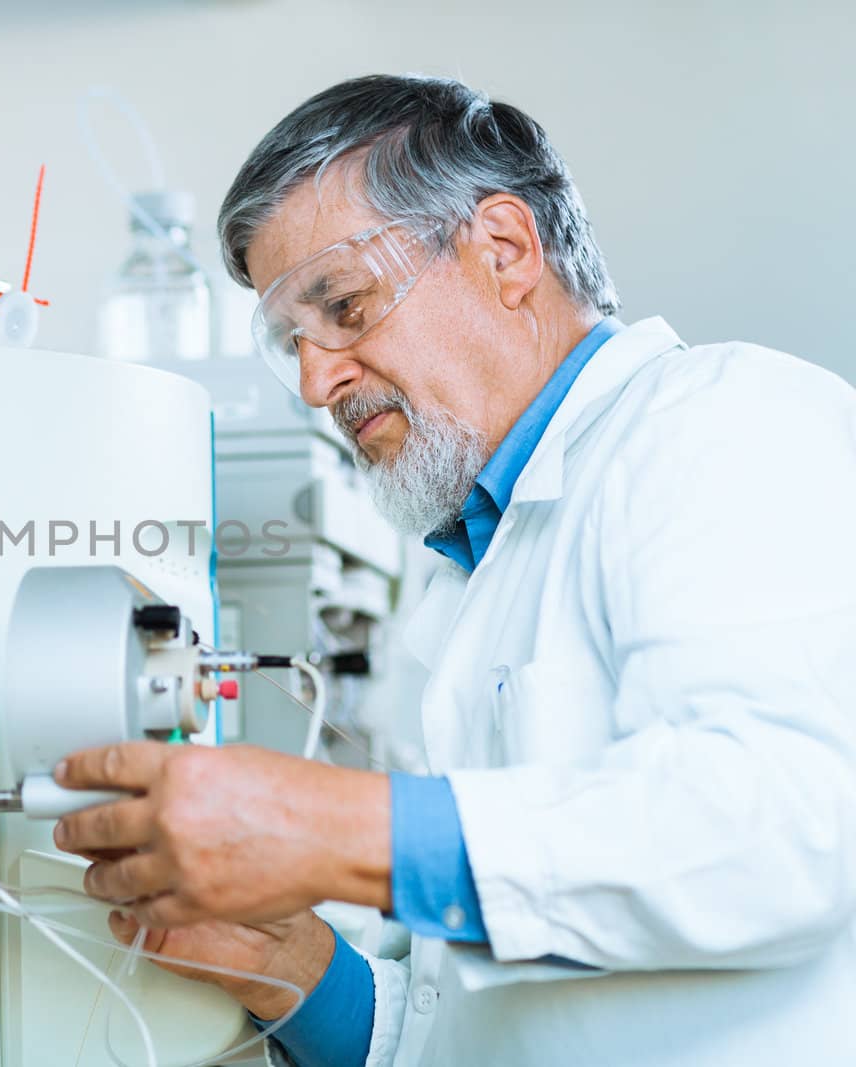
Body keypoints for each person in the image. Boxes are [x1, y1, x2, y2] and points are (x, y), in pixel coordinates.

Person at [51, 74, 856, 1066]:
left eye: (341, 306)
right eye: (292, 342)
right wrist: (297, 972)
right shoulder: (470, 567)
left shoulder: (721, 420)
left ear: (504, 250)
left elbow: (787, 831)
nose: (315, 380)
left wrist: (333, 825)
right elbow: (478, 1031)